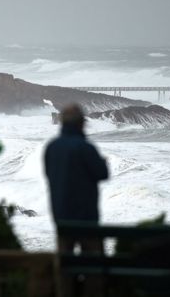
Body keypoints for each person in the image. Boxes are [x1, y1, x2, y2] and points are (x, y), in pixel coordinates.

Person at [44, 104, 109, 297]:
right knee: (93, 270)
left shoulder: (51, 148)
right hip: (87, 218)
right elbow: (102, 174)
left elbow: (49, 175)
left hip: (61, 217)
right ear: (82, 124)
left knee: (64, 268)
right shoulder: (86, 148)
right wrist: (103, 162)